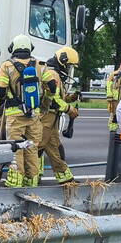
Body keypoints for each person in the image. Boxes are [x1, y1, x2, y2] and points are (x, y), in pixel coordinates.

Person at [0, 34, 42, 187]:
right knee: (32, 147)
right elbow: (45, 87)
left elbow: (1, 90)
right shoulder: (37, 64)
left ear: (13, 47)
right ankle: (31, 182)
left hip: (14, 114)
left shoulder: (6, 65)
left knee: (16, 147)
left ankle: (15, 182)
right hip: (34, 114)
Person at [39, 46, 79, 184]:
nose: (68, 69)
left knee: (55, 149)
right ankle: (31, 178)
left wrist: (70, 98)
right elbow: (54, 100)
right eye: (68, 65)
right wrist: (70, 109)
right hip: (45, 118)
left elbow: (59, 96)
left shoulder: (55, 74)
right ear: (62, 61)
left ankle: (66, 180)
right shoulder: (52, 74)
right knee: (36, 148)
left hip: (51, 120)